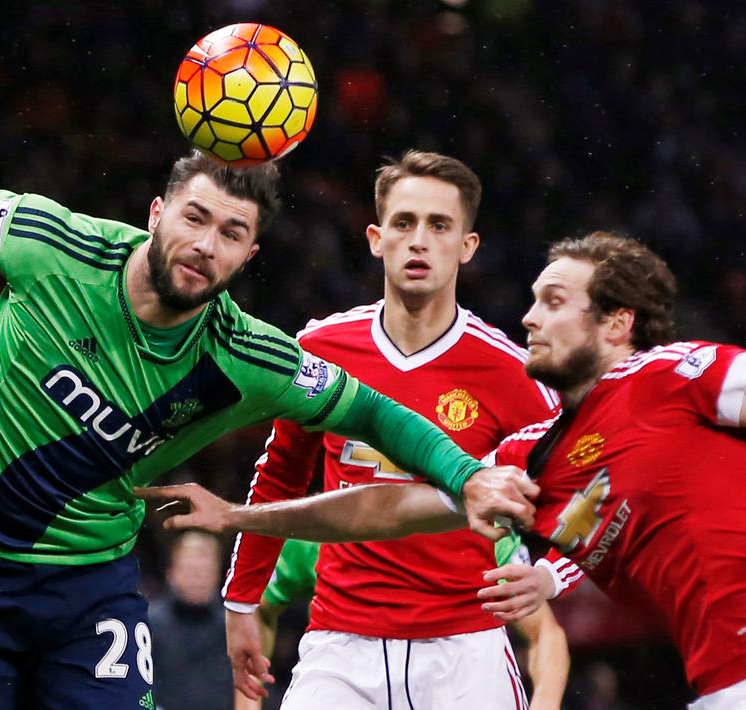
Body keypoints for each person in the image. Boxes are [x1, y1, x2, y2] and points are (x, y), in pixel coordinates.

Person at [0, 152, 537, 710]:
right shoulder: (49, 245)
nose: (204, 245)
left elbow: (373, 412)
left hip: (91, 587)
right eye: (195, 218)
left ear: (248, 256)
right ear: (157, 211)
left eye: (230, 235)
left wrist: (466, 477)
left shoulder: (251, 356)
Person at [137, 232, 746, 710]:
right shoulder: (537, 455)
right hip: (720, 689)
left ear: (616, 322)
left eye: (553, 301)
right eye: (530, 300)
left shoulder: (679, 371)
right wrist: (239, 516)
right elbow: (384, 511)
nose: (528, 316)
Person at [222, 151, 564, 709]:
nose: (419, 241)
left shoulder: (511, 372)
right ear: (377, 238)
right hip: (339, 647)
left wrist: (551, 572)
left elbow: (582, 486)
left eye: (439, 225)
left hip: (465, 648)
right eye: (404, 223)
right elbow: (279, 476)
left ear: (467, 246)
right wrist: (241, 601)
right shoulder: (321, 349)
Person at [233, 537, 572, 710]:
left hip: (457, 674)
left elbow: (545, 633)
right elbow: (258, 609)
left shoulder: (479, 535)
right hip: (347, 668)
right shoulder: (317, 533)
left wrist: (544, 703)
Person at [147, 532, 231, 710]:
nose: (197, 579)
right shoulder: (149, 624)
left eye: (204, 570)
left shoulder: (233, 627)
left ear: (218, 573)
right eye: (191, 570)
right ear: (172, 572)